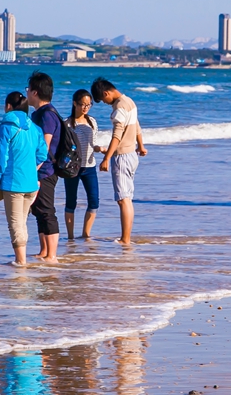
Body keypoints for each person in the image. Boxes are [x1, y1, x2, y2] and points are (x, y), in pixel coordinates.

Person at [0, 91, 49, 265]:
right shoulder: (35, 128)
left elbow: (1, 158)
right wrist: (31, 169)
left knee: (16, 224)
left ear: (8, 106)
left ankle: (21, 262)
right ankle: (21, 260)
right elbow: (42, 154)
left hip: (13, 183)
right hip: (31, 184)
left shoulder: (5, 127)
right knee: (21, 222)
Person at [92, 77, 147, 244]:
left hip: (122, 157)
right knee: (127, 198)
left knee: (123, 199)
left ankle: (125, 239)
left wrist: (106, 159)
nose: (106, 103)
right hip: (132, 155)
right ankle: (126, 237)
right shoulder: (129, 101)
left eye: (103, 100)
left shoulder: (119, 108)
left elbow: (117, 135)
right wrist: (141, 146)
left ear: (106, 93)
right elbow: (136, 126)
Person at [26, 72, 64, 263]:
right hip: (42, 170)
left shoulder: (47, 115)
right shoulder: (40, 113)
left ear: (35, 92)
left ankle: (52, 255)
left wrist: (32, 170)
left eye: (28, 89)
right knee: (38, 210)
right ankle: (43, 251)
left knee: (47, 210)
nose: (26, 93)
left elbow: (44, 146)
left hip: (46, 171)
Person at [64, 89, 102, 239]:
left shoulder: (92, 122)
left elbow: (94, 143)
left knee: (94, 201)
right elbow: (63, 147)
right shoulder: (66, 123)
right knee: (71, 202)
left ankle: (86, 235)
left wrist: (99, 148)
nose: (85, 108)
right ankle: (71, 237)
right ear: (74, 103)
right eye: (82, 104)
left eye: (89, 105)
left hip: (90, 166)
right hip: (72, 168)